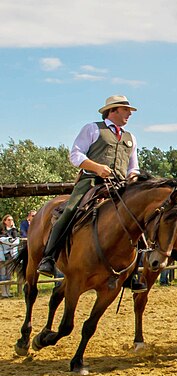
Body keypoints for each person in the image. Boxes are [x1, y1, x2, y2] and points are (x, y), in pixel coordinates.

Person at [36, 95, 146, 292]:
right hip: (91, 182)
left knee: (137, 219)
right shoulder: (93, 129)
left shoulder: (131, 138)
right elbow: (76, 154)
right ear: (113, 111)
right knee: (70, 210)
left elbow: (133, 166)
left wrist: (133, 179)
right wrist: (97, 167)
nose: (129, 114)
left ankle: (131, 272)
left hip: (119, 185)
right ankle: (49, 257)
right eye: (126, 110)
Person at [0, 214, 20, 297]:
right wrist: (10, 241)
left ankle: (8, 292)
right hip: (3, 255)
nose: (11, 221)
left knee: (9, 274)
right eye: (8, 220)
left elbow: (17, 241)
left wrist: (9, 240)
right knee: (3, 274)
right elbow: (1, 239)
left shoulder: (14, 230)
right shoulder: (1, 231)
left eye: (11, 219)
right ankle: (4, 292)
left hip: (12, 255)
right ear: (4, 221)